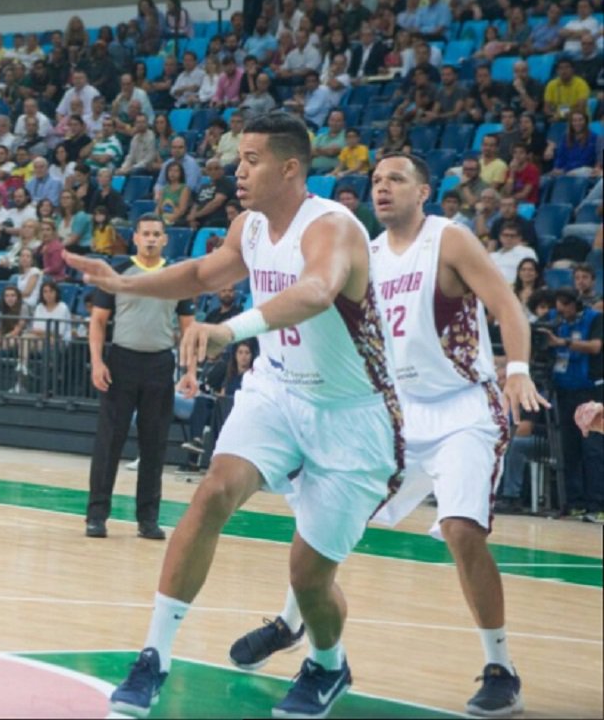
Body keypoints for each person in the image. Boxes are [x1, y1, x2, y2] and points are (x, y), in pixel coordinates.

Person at [65, 112, 402, 719]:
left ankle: (329, 664)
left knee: (308, 576)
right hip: (276, 391)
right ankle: (153, 657)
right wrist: (124, 284)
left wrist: (232, 327)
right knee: (213, 492)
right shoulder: (248, 227)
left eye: (250, 160)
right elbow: (198, 273)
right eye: (237, 158)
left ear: (291, 168)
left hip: (350, 415)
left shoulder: (332, 228)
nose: (235, 170)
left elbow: (318, 292)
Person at [227, 153, 547, 717]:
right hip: (396, 413)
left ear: (424, 191)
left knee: (461, 529)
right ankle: (293, 623)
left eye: (396, 179)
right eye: (375, 180)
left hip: (462, 408)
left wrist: (517, 368)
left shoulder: (447, 239)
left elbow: (507, 307)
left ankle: (501, 666)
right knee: (326, 518)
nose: (383, 188)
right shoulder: (362, 252)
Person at [77, 213, 195, 541]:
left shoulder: (176, 276)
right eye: (146, 234)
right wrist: (98, 362)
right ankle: (96, 516)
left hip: (159, 364)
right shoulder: (118, 273)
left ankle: (148, 519)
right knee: (108, 442)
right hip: (121, 362)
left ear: (166, 239)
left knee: (155, 444)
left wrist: (189, 370)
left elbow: (188, 328)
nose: (152, 239)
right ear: (136, 238)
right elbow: (99, 321)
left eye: (157, 234)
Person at [543, 289, 603, 521]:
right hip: (563, 392)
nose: (562, 311)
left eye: (566, 305)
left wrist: (563, 342)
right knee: (568, 449)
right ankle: (574, 502)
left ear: (575, 305)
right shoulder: (556, 323)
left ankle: (597, 505)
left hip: (590, 391)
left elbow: (596, 347)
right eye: (559, 306)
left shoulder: (595, 319)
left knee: (593, 449)